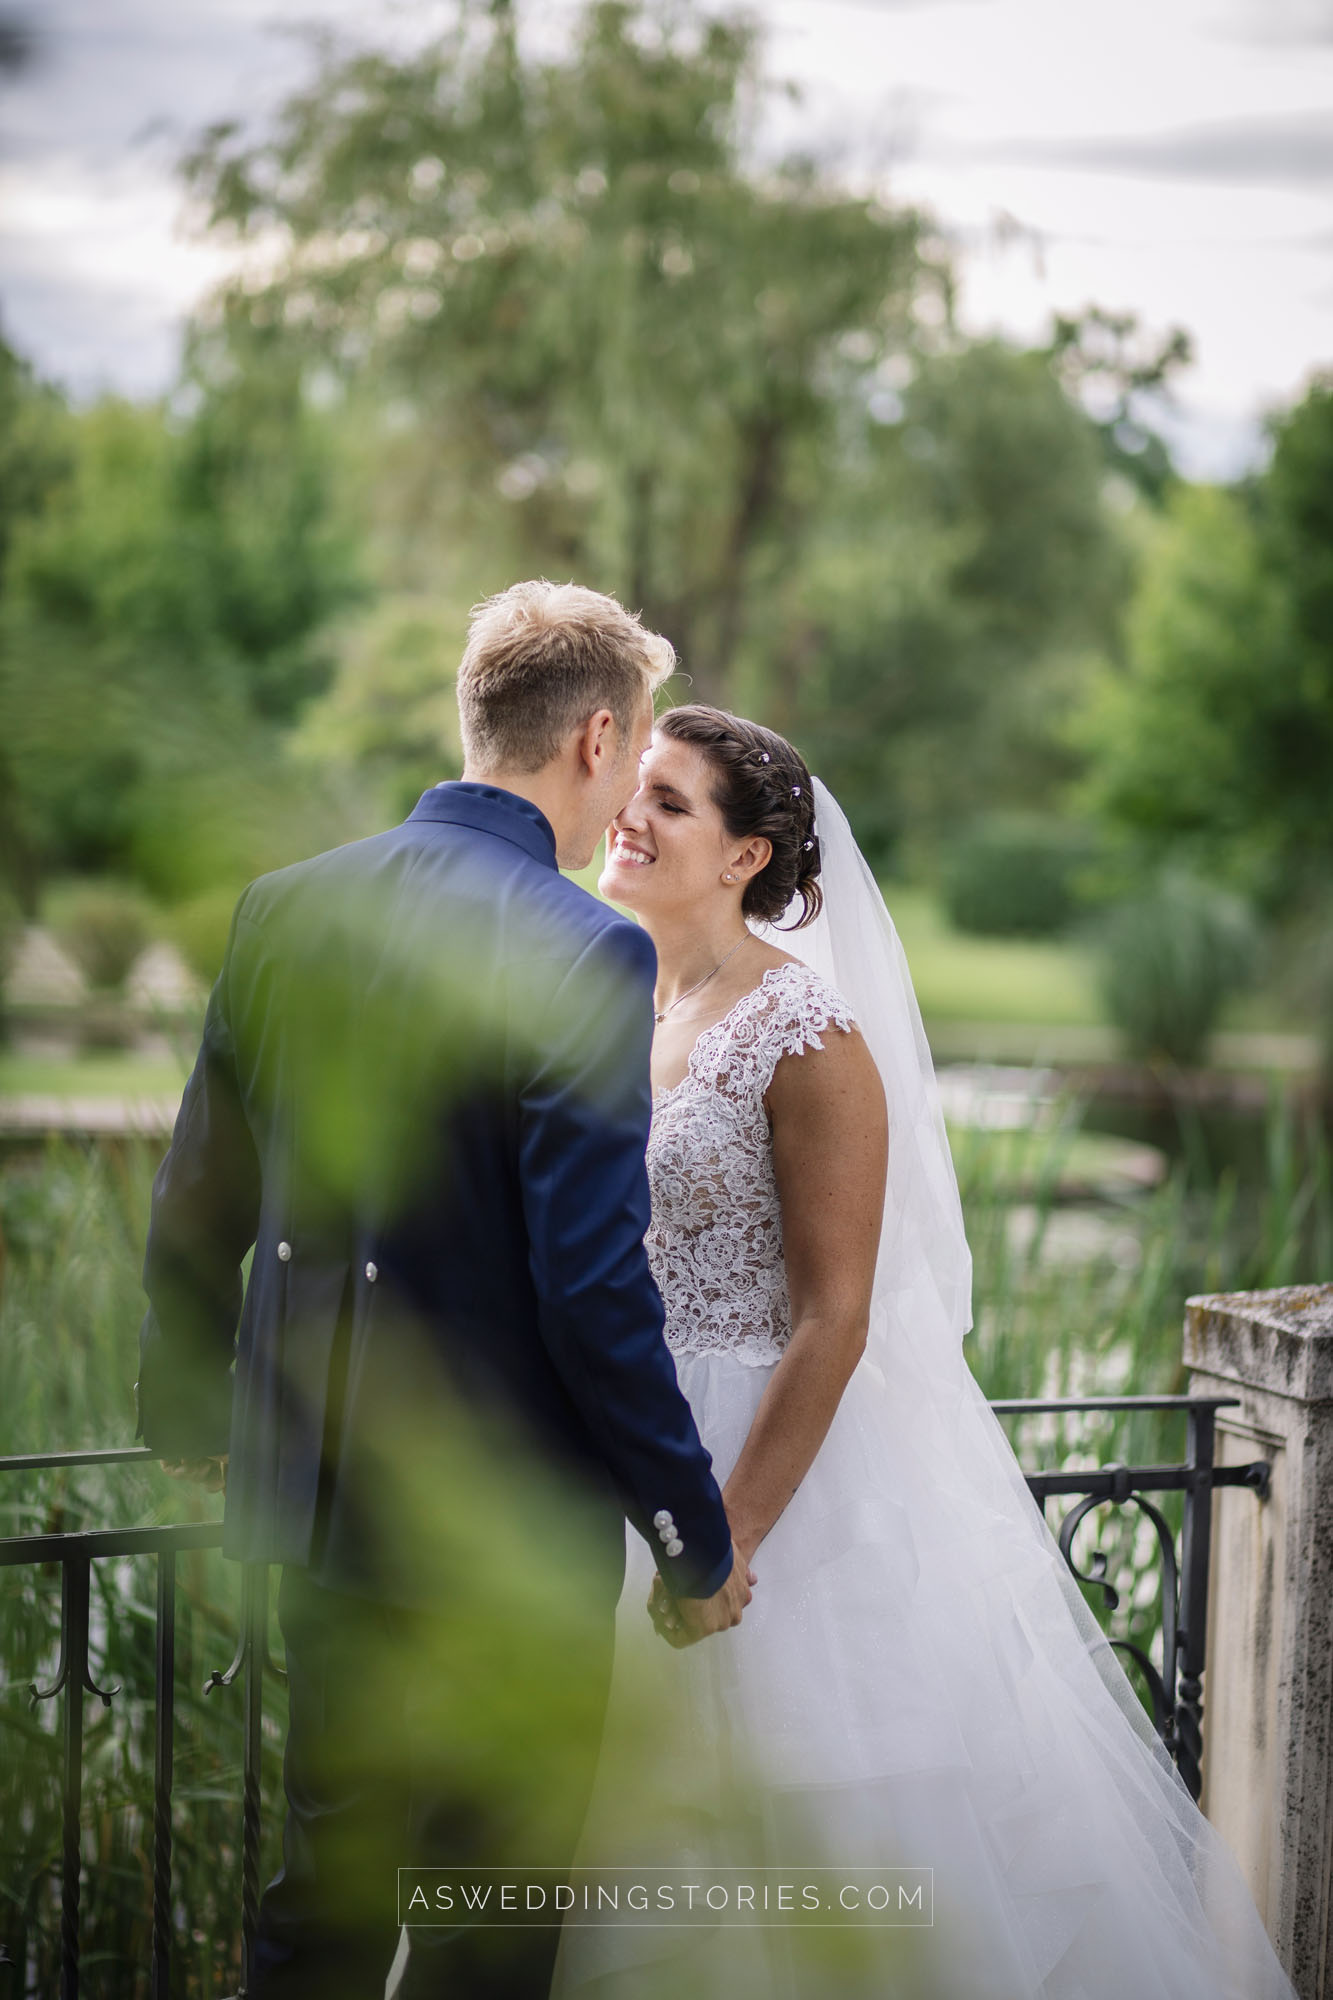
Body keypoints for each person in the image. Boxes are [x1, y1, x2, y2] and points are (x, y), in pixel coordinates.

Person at [551, 704, 1298, 2000]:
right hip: (623, 1453)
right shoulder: (611, 1004)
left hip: (767, 1479)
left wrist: (722, 1539)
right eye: (634, 787)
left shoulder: (804, 1034)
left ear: (744, 857)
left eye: (669, 801)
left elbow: (834, 1319)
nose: (629, 814)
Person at [134, 587, 751, 2000]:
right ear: (597, 737)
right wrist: (687, 1534)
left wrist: (191, 1410)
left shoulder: (288, 907)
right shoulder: (583, 947)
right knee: (487, 1922)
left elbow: (193, 1206)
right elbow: (591, 1286)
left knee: (324, 1896)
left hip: (324, 1500)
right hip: (504, 1539)